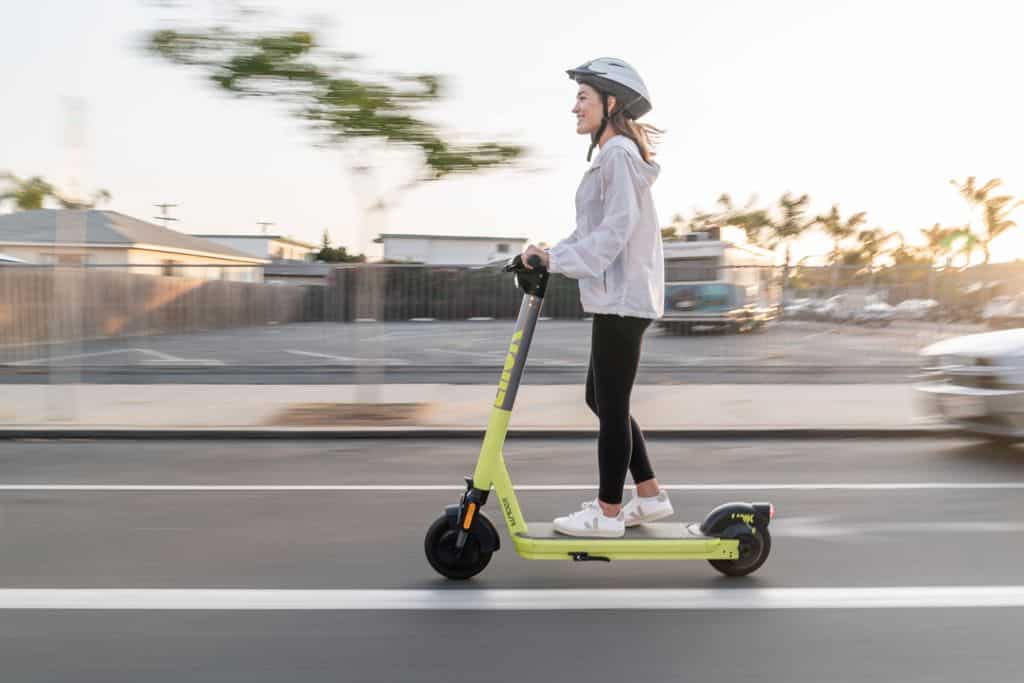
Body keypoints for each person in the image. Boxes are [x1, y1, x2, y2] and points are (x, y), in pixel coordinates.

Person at [522, 57, 671, 538]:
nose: (574, 107)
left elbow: (614, 233)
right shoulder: (613, 157)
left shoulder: (619, 156)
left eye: (583, 97)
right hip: (618, 297)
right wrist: (550, 252)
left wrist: (558, 263)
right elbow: (591, 231)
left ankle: (608, 513)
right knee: (602, 398)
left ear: (611, 103)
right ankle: (648, 496)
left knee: (609, 404)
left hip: (624, 298)